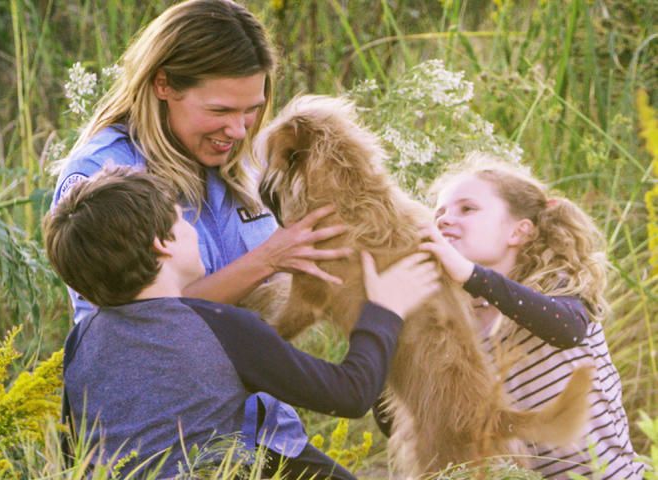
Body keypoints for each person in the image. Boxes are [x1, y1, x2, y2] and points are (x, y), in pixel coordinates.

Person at [49, 0, 350, 464]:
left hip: (266, 429)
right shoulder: (103, 176)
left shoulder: (242, 155)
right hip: (170, 449)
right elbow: (133, 330)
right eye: (221, 110)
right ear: (163, 83)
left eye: (252, 109)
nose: (238, 129)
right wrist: (266, 260)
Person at [44, 167, 442, 479]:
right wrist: (384, 310)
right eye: (182, 219)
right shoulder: (219, 327)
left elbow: (75, 454)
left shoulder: (82, 340)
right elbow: (351, 394)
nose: (190, 229)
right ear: (162, 243)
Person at [418, 154, 645, 479]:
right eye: (439, 213)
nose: (443, 220)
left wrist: (470, 275)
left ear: (519, 232)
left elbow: (566, 329)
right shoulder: (456, 322)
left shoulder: (558, 285)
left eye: (467, 209)